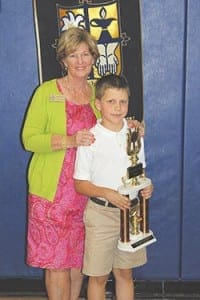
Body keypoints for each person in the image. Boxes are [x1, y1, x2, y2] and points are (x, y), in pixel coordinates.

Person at [22, 27, 100, 300]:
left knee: (78, 259)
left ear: (94, 57)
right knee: (56, 262)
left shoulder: (97, 95)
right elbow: (29, 139)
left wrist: (132, 128)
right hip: (51, 195)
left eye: (85, 54)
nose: (80, 61)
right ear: (63, 60)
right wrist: (69, 140)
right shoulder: (46, 92)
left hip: (86, 193)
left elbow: (111, 130)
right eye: (72, 55)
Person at [74, 74, 154, 300]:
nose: (118, 108)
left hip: (131, 214)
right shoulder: (90, 138)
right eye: (111, 102)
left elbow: (139, 172)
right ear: (98, 104)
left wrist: (146, 187)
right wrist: (107, 193)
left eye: (123, 102)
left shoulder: (134, 134)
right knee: (98, 277)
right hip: (101, 215)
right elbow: (80, 184)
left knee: (125, 273)